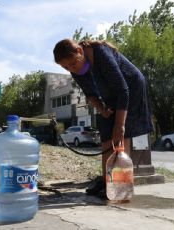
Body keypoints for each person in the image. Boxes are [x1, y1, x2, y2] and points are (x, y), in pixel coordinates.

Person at [53, 39, 153, 197]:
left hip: (131, 88)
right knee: (106, 131)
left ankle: (120, 184)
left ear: (80, 52)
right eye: (66, 67)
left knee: (121, 135)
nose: (71, 68)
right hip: (110, 93)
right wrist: (102, 109)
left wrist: (120, 125)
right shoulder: (74, 69)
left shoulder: (101, 53)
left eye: (72, 63)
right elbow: (90, 93)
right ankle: (108, 181)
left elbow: (122, 90)